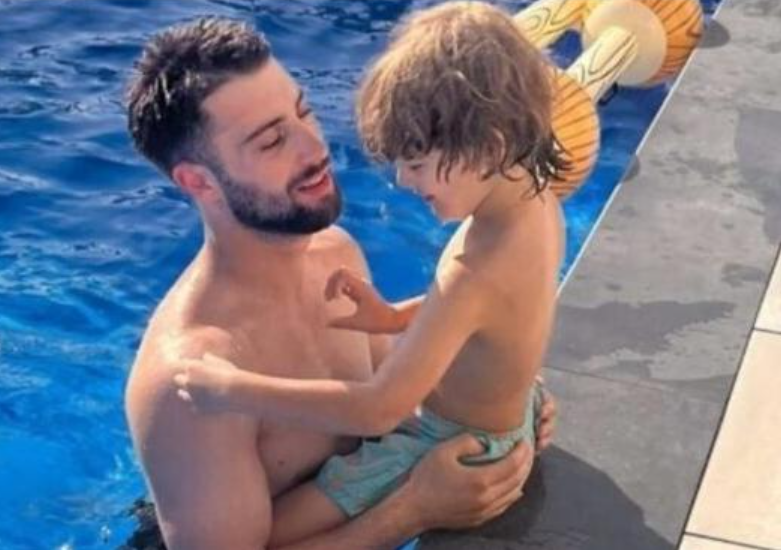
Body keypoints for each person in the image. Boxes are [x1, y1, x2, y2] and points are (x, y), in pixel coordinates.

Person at [123, 15, 557, 550]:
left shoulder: (336, 255)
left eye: (304, 111)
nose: (315, 148)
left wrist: (500, 387)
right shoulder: (189, 382)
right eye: (273, 140)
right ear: (198, 181)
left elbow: (392, 403)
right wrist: (412, 511)